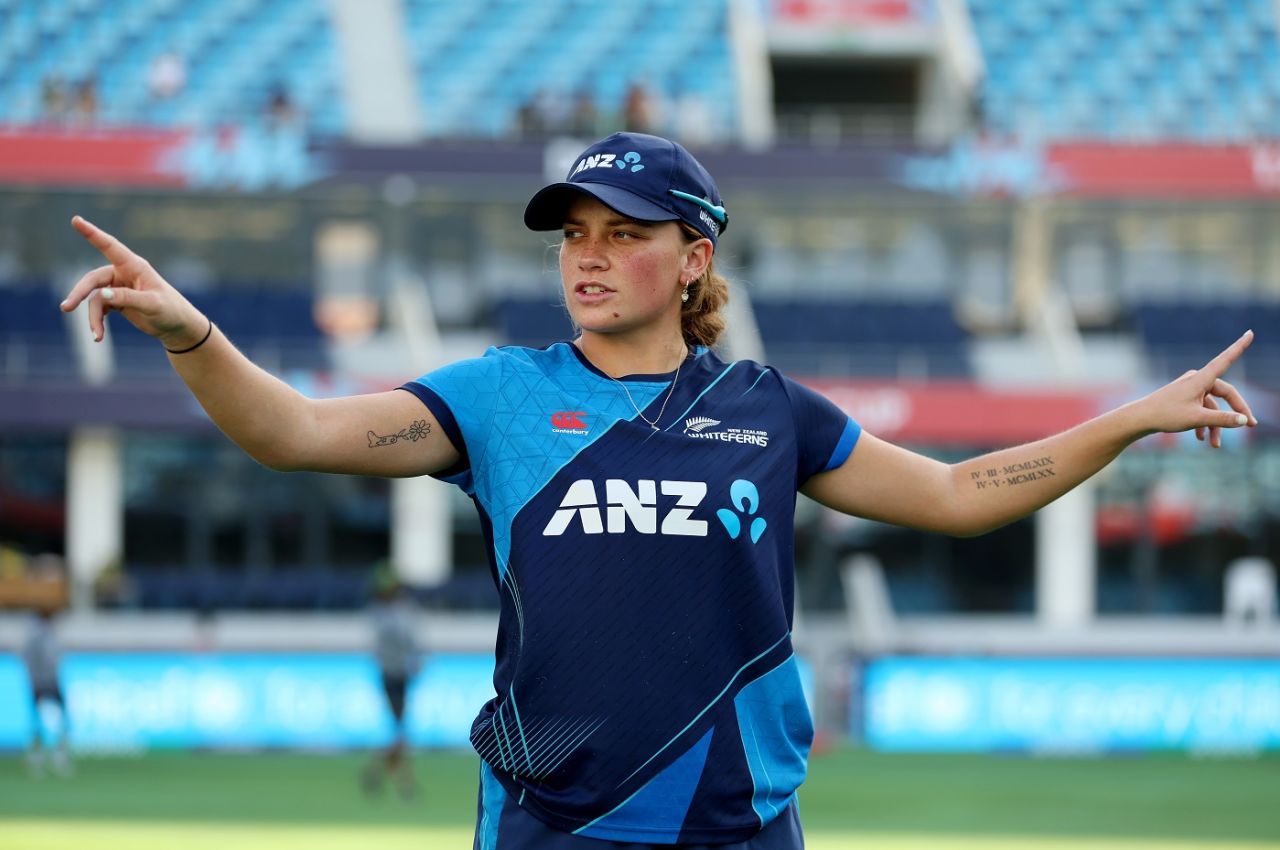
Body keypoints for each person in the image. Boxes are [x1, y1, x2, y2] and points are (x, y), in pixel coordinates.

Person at [61, 131, 1256, 848]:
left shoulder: (769, 409)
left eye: (622, 231)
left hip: (735, 823)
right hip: (546, 823)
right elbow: (295, 432)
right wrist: (190, 330)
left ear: (693, 258)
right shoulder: (496, 395)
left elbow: (955, 495)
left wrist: (1130, 418)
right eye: (570, 231)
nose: (586, 252)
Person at [362, 568, 422, 799]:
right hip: (391, 675)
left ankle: (379, 772)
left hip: (399, 675)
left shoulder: (396, 611)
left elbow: (412, 643)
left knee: (399, 732)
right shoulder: (385, 613)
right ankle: (402, 783)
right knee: (400, 733)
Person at [23, 606, 72, 778]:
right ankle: (51, 756)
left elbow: (25, 659)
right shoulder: (43, 637)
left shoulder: (36, 636)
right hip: (46, 682)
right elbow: (50, 660)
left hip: (41, 682)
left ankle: (43, 757)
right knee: (50, 721)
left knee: (40, 722)